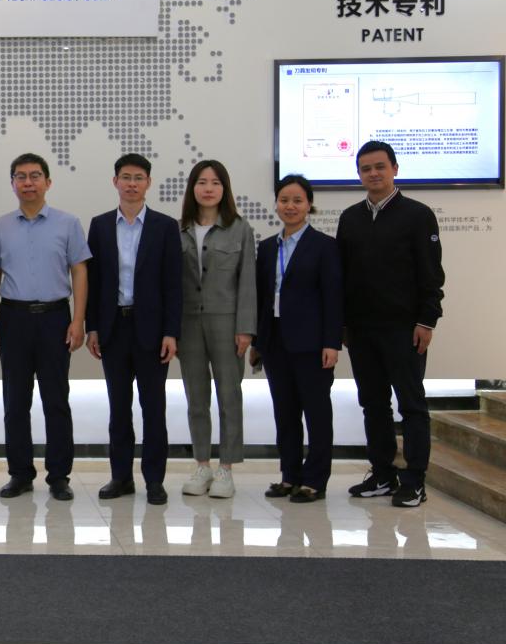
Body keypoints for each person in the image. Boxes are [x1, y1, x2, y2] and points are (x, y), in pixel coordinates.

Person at [337, 140, 445, 507]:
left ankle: (414, 480)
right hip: (362, 331)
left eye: (380, 167)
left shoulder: (418, 215)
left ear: (395, 169)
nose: (373, 174)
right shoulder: (350, 218)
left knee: (412, 405)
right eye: (366, 168)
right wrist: (343, 325)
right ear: (359, 174)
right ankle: (383, 474)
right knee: (373, 404)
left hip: (404, 329)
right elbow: (344, 277)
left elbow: (431, 274)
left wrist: (426, 321)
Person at [0, 153, 89, 501]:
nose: (28, 183)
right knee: (15, 402)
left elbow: (79, 271)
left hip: (55, 318)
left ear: (47, 182)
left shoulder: (68, 224)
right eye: (21, 177)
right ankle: (20, 474)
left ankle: (59, 476)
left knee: (56, 400)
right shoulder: (1, 227)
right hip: (13, 319)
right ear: (13, 183)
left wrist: (78, 320)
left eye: (35, 176)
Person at [86, 153, 182, 505]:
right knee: (118, 407)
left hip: (152, 331)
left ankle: (154, 480)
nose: (131, 184)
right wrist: (92, 327)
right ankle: (121, 477)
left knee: (153, 408)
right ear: (115, 182)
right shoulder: (99, 225)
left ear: (148, 183)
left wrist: (171, 331)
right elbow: (93, 282)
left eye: (138, 178)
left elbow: (173, 284)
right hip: (113, 328)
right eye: (125, 177)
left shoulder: (165, 226)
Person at [255, 175, 343, 503]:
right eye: (284, 200)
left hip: (312, 343)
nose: (290, 206)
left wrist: (332, 342)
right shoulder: (267, 248)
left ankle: (315, 480)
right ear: (276, 204)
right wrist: (258, 342)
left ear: (309, 205)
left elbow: (333, 297)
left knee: (316, 413)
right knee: (285, 412)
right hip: (275, 341)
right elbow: (262, 298)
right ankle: (289, 476)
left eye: (297, 200)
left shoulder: (324, 246)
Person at [176, 160, 256, 499]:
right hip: (188, 324)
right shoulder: (178, 229)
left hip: (228, 322)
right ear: (192, 188)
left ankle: (226, 469)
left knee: (229, 396)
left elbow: (248, 281)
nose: (208, 188)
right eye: (202, 182)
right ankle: (202, 465)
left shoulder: (239, 228)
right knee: (196, 398)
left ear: (225, 189)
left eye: (215, 182)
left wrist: (246, 329)